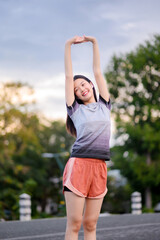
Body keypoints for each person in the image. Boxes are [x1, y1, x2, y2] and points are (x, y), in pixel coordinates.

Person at [63, 35, 111, 240]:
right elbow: (68, 76)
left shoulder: (105, 105)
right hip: (79, 165)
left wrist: (94, 42)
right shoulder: (75, 111)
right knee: (74, 224)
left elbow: (98, 71)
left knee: (91, 224)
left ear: (91, 85)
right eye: (76, 89)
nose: (81, 89)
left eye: (83, 84)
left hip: (99, 167)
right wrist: (68, 45)